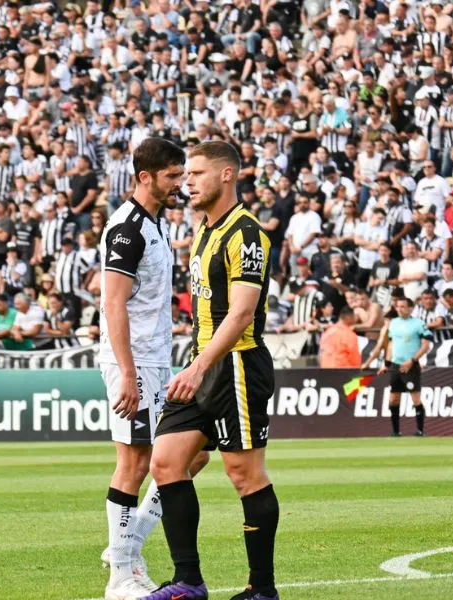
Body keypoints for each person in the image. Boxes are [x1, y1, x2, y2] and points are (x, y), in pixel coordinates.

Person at [145, 141, 278, 600]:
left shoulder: (247, 233)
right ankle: (189, 582)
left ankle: (262, 589)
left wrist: (199, 366)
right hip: (202, 365)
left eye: (197, 174)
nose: (188, 183)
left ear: (226, 175)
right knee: (165, 462)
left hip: (236, 365)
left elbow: (241, 313)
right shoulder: (203, 229)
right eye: (186, 175)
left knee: (245, 475)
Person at [98, 137, 209, 600]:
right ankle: (121, 575)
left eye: (182, 175)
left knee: (191, 454)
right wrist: (126, 372)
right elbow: (113, 303)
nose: (180, 184)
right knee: (136, 461)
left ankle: (126, 545)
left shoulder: (156, 224)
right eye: (171, 176)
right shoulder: (127, 229)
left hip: (158, 360)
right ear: (145, 176)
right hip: (136, 361)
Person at [376, 296, 433, 437]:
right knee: (393, 398)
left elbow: (426, 345)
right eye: (398, 307)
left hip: (411, 366)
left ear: (411, 308)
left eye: (403, 307)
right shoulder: (393, 323)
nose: (400, 309)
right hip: (396, 365)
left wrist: (412, 361)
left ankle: (420, 431)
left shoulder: (418, 324)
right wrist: (386, 363)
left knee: (415, 399)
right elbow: (390, 345)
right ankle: (395, 431)